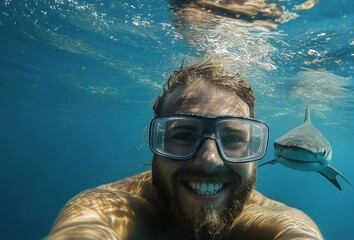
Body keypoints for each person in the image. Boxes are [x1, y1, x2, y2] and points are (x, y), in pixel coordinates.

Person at [46, 58, 323, 240]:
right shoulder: (111, 207)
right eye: (184, 134)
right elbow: (85, 229)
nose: (210, 160)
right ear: (156, 143)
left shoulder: (276, 221)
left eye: (234, 139)